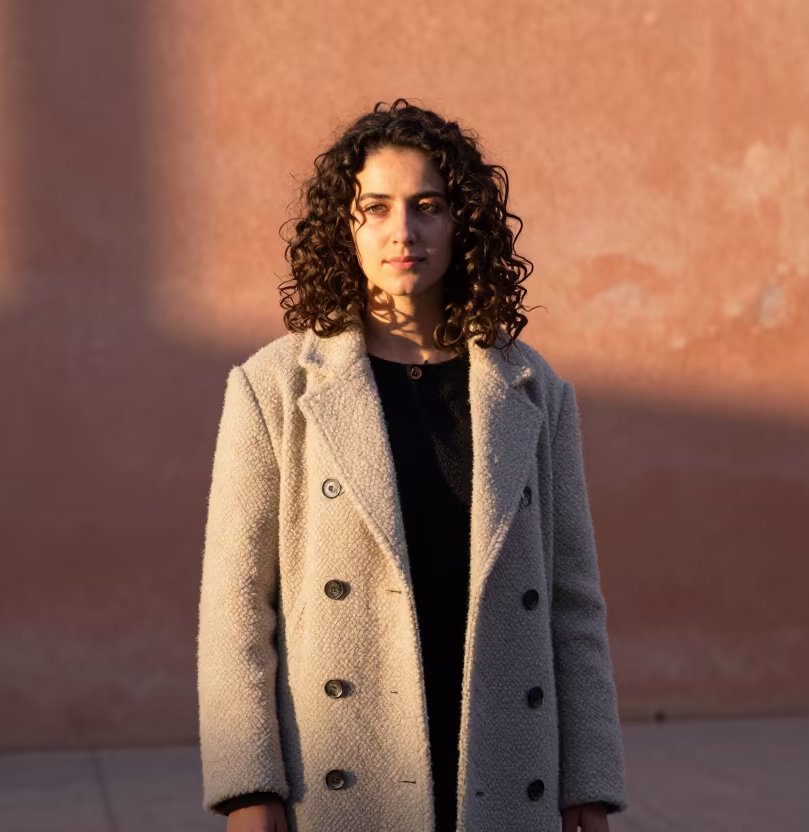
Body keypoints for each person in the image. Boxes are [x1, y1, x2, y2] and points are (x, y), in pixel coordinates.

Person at [197, 100, 627, 832]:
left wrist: (588, 779)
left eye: (427, 206)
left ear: (463, 224)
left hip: (500, 757)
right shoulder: (275, 387)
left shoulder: (532, 390)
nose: (403, 231)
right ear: (346, 225)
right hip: (341, 770)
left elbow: (572, 601)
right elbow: (237, 605)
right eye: (377, 207)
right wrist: (247, 788)